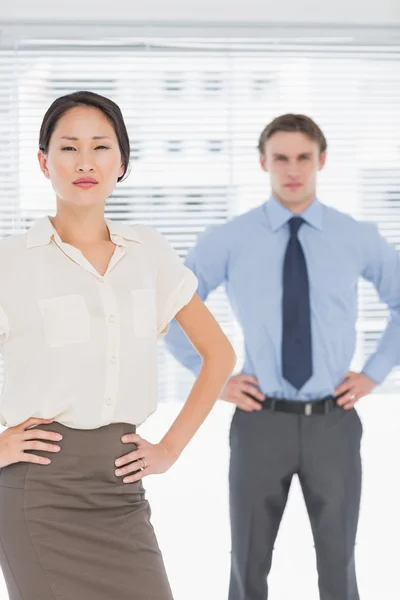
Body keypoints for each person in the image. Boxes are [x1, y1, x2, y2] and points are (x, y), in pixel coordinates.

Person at [0, 90, 236, 600]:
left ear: (122, 161)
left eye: (101, 147)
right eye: (68, 148)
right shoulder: (11, 263)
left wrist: (170, 449)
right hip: (37, 494)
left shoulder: (149, 251)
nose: (85, 161)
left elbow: (219, 356)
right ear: (44, 162)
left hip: (120, 490)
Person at [165, 113, 400, 600]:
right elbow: (170, 310)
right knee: (247, 566)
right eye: (280, 158)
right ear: (263, 162)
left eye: (303, 158)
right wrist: (214, 377)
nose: (292, 169)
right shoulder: (228, 239)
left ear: (321, 160)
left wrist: (374, 374)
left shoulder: (356, 236)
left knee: (340, 566)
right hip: (260, 422)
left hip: (334, 423)